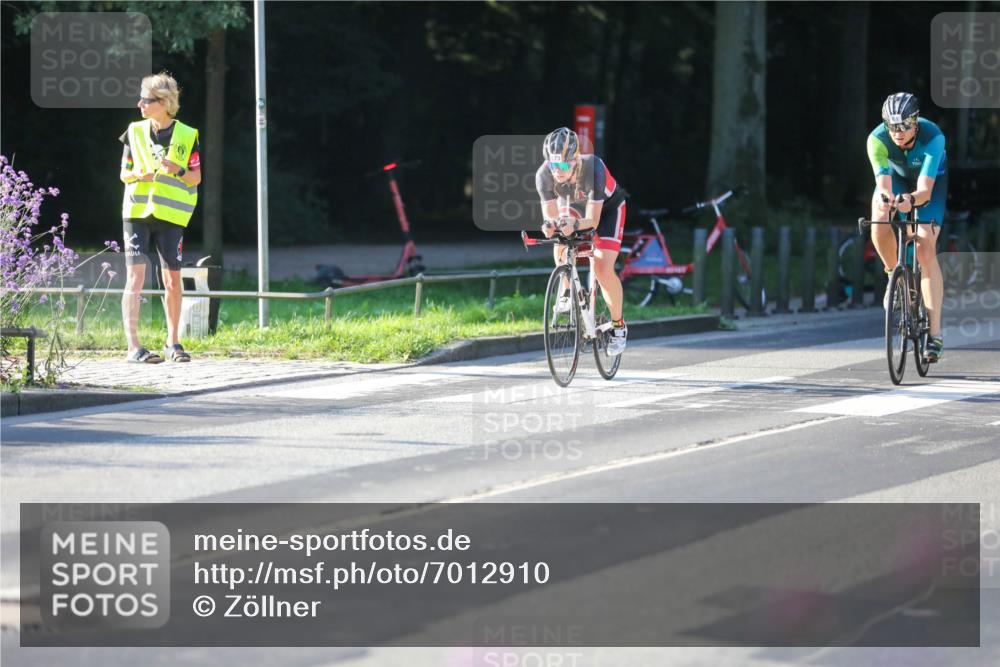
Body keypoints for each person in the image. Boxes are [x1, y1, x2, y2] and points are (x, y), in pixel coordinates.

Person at [119, 72, 202, 363]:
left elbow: (196, 178)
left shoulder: (187, 135)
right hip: (137, 211)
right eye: (141, 98)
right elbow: (123, 173)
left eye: (147, 100)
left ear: (165, 103)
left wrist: (176, 169)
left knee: (172, 280)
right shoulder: (134, 131)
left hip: (171, 214)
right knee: (135, 277)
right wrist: (136, 175)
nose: (140, 104)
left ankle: (173, 343)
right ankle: (133, 347)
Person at [866, 92, 947, 362]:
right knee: (879, 208)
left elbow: (924, 191)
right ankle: (893, 275)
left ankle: (934, 335)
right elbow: (883, 184)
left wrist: (911, 200)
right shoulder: (876, 139)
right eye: (892, 126)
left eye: (904, 126)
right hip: (897, 180)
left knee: (925, 245)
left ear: (915, 122)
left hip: (929, 185)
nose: (897, 133)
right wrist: (889, 201)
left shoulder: (932, 137)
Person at [535, 127, 628, 355]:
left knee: (602, 268)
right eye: (554, 165)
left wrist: (574, 225)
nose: (558, 172)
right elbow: (551, 216)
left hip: (607, 210)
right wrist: (550, 226)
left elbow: (593, 221)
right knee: (560, 239)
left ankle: (619, 327)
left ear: (575, 160)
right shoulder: (543, 175)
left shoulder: (593, 169)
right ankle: (567, 290)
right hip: (577, 207)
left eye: (564, 166)